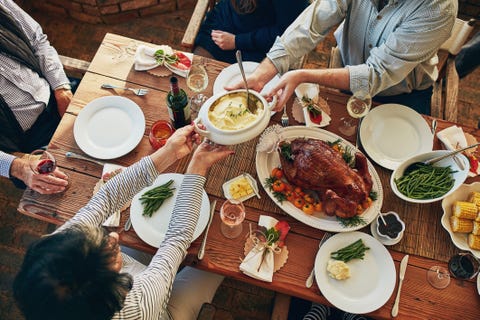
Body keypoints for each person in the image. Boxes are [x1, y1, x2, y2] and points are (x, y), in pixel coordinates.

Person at [13, 124, 234, 320]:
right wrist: (197, 168)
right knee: (216, 265)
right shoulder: (137, 305)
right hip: (158, 311)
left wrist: (170, 152)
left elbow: (105, 199)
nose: (113, 236)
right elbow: (176, 239)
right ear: (114, 293)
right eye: (109, 252)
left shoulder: (57, 254)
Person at [226, 0, 457, 115]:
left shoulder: (438, 8)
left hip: (403, 96)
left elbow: (376, 74)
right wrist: (262, 72)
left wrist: (303, 74)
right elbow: (313, 23)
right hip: (347, 74)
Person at [0, 0, 73, 193]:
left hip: (54, 93)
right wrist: (16, 166)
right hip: (25, 143)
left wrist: (61, 88)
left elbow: (37, 40)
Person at [193, 0, 310, 64]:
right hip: (225, 22)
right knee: (198, 70)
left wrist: (237, 41)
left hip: (261, 45)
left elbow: (285, 33)